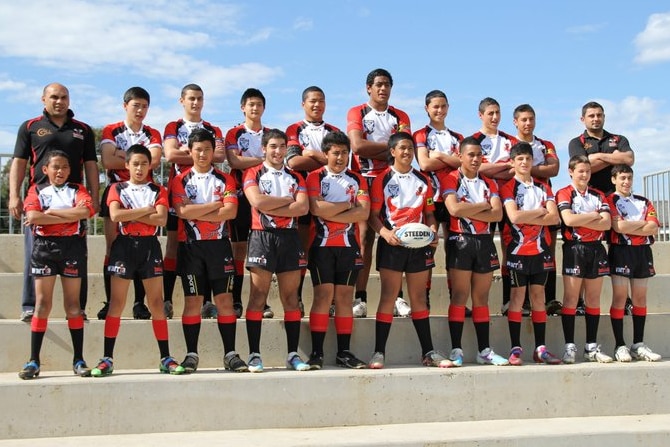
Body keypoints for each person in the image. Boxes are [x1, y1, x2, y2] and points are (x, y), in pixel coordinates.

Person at [9, 82, 99, 322]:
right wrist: (14, 196)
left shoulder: (83, 130)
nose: (59, 101)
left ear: (69, 101)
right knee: (34, 255)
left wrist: (95, 196)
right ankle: (30, 307)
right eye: (54, 97)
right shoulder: (30, 127)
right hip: (38, 201)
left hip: (73, 201)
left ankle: (78, 308)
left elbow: (91, 164)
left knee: (78, 257)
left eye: (64, 97)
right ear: (44, 100)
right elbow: (19, 162)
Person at [91, 145, 182, 376]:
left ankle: (165, 358)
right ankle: (107, 358)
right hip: (123, 246)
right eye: (135, 164)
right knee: (117, 303)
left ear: (150, 165)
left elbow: (161, 219)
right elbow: (115, 215)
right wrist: (145, 210)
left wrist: (132, 212)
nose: (139, 168)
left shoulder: (158, 189)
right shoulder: (116, 188)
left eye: (144, 163)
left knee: (156, 304)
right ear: (127, 165)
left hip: (150, 247)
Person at [367, 132, 450, 369]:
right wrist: (384, 233)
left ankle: (428, 352)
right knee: (388, 296)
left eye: (410, 148)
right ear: (392, 151)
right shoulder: (382, 179)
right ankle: (379, 352)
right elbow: (372, 216)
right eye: (402, 148)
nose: (407, 152)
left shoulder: (424, 180)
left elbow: (431, 213)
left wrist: (433, 231)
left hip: (418, 245)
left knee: (419, 298)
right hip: (392, 244)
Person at [171, 128, 244, 373]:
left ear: (214, 152)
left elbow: (230, 212)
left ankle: (231, 354)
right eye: (198, 149)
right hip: (191, 248)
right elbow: (182, 212)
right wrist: (215, 207)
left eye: (207, 149)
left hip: (219, 247)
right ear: (190, 152)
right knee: (193, 302)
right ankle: (191, 354)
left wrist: (198, 209)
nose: (202, 154)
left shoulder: (226, 179)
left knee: (224, 300)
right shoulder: (180, 180)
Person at [18, 151, 96, 379]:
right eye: (55, 167)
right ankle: (34, 360)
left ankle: (78, 359)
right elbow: (33, 217)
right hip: (44, 248)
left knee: (73, 306)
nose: (60, 171)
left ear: (70, 170)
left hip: (72, 247)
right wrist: (65, 216)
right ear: (45, 170)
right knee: (42, 304)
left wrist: (50, 213)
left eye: (64, 167)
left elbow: (86, 211)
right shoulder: (37, 190)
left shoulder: (78, 190)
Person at [242, 129, 310, 372]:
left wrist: (273, 203)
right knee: (257, 298)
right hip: (262, 237)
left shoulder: (296, 177)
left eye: (282, 146)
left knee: (291, 299)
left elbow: (302, 209)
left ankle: (292, 354)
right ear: (264, 148)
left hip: (289, 238)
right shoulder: (253, 173)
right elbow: (257, 202)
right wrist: (287, 203)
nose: (278, 151)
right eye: (273, 146)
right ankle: (254, 354)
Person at [347, 68, 411, 318]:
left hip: (393, 180)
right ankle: (360, 298)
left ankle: (397, 298)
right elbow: (357, 146)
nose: (383, 89)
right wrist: (390, 148)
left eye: (387, 85)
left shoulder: (400, 115)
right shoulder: (357, 112)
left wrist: (384, 150)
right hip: (364, 179)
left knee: (397, 236)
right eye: (379, 85)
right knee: (364, 238)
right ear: (368, 88)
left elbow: (402, 148)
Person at [97, 86, 162, 321]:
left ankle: (138, 304)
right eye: (136, 105)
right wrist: (136, 157)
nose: (140, 110)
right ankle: (110, 302)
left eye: (144, 106)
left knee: (143, 246)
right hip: (117, 192)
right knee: (113, 246)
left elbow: (153, 161)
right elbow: (106, 159)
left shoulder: (153, 132)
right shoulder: (111, 130)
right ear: (125, 106)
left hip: (145, 195)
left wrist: (122, 156)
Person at [305, 131, 369, 369]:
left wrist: (331, 209)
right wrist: (347, 205)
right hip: (321, 246)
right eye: (336, 153)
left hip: (348, 245)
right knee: (323, 296)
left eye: (344, 153)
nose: (340, 157)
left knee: (344, 298)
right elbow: (315, 208)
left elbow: (363, 213)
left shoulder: (357, 179)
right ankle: (317, 352)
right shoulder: (315, 177)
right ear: (326, 154)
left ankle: (344, 352)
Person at [440, 137, 507, 366]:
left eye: (479, 155)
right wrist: (482, 206)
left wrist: (468, 209)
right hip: (460, 241)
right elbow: (454, 209)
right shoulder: (450, 178)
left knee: (481, 298)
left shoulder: (490, 182)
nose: (476, 159)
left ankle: (484, 351)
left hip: (485, 241)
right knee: (459, 296)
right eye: (471, 155)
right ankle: (456, 349)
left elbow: (497, 215)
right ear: (460, 156)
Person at [163, 83, 226, 319]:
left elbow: (219, 155)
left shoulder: (212, 128)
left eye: (199, 98)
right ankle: (167, 300)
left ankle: (207, 302)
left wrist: (184, 151)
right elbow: (169, 154)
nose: (196, 103)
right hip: (179, 192)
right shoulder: (173, 126)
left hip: (208, 193)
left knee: (206, 242)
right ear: (182, 101)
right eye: (191, 98)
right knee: (172, 246)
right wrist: (195, 153)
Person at [500, 142, 562, 365]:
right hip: (517, 250)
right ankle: (515, 348)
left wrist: (531, 215)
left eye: (528, 159)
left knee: (539, 297)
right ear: (513, 162)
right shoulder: (508, 187)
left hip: (540, 250)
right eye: (520, 159)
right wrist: (539, 213)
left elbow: (554, 218)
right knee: (517, 298)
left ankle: (540, 349)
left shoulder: (544, 188)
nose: (524, 163)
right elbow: (514, 217)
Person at [286, 86, 341, 316]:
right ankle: (297, 297)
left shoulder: (334, 131)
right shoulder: (294, 129)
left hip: (331, 196)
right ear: (303, 104)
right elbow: (293, 162)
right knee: (301, 248)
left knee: (326, 248)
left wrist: (312, 155)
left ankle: (331, 302)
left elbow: (341, 163)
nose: (317, 105)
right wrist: (325, 161)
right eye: (312, 101)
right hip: (301, 195)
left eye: (321, 101)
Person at [556, 155, 612, 364]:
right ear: (571, 172)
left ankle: (591, 347)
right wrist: (594, 216)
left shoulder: (598, 194)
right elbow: (569, 220)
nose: (585, 175)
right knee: (571, 299)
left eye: (587, 171)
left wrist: (584, 219)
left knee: (593, 299)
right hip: (574, 249)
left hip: (597, 249)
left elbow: (606, 224)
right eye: (580, 171)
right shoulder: (564, 192)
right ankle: (569, 347)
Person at [225, 88, 273, 319]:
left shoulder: (271, 134)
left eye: (259, 104)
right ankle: (235, 300)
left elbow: (279, 160)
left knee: (262, 250)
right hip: (241, 196)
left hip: (265, 198)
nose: (255, 108)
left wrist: (252, 162)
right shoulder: (234, 133)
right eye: (250, 104)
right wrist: (264, 160)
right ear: (243, 107)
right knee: (239, 250)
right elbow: (234, 160)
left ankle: (261, 303)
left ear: (264, 108)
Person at [606, 165, 661, 362]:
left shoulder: (644, 201)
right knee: (620, 298)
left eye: (629, 177)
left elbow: (653, 228)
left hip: (643, 252)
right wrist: (641, 224)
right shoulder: (609, 199)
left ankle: (638, 344)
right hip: (621, 251)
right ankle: (619, 345)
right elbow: (617, 226)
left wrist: (630, 225)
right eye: (622, 178)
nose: (626, 182)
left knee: (640, 299)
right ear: (614, 179)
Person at [413, 89, 463, 309]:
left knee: (454, 249)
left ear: (448, 108)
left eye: (443, 106)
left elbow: (462, 164)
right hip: (431, 197)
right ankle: (424, 298)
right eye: (435, 106)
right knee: (427, 246)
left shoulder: (458, 138)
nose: (439, 110)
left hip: (454, 196)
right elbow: (424, 164)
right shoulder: (420, 135)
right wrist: (450, 160)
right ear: (427, 108)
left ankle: (457, 300)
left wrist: (440, 156)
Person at [512, 104, 562, 315]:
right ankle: (514, 301)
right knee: (513, 251)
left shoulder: (545, 144)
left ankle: (549, 299)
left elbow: (555, 168)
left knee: (548, 250)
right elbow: (509, 170)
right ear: (515, 121)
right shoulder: (510, 143)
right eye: (523, 119)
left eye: (531, 119)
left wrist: (525, 167)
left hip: (544, 200)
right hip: (517, 201)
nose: (528, 123)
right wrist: (530, 169)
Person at [470, 97, 517, 315]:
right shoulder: (474, 140)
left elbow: (516, 169)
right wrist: (503, 166)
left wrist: (493, 168)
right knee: (481, 249)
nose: (495, 117)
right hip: (483, 200)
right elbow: (477, 169)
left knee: (510, 248)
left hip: (509, 199)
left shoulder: (510, 140)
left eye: (498, 112)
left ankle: (508, 300)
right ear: (481, 115)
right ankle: (474, 304)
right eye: (490, 113)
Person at [568, 101, 634, 195]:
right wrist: (615, 158)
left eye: (599, 115)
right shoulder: (576, 142)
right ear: (583, 119)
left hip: (617, 196)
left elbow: (629, 159)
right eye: (591, 116)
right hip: (590, 197)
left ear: (604, 117)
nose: (596, 118)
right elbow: (582, 167)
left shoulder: (619, 139)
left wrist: (597, 156)